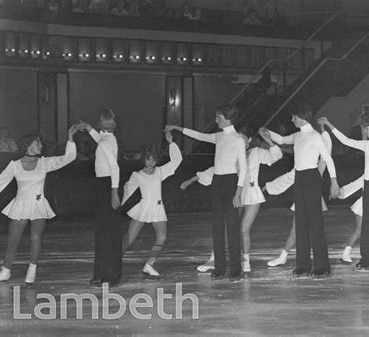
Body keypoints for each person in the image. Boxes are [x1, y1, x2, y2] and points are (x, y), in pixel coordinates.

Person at [181, 127, 282, 273]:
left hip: (252, 194)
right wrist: (191, 179)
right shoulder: (232, 154)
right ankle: (214, 259)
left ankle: (245, 261)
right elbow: (215, 170)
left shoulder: (256, 152)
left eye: (242, 138)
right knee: (229, 228)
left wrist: (267, 139)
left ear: (249, 140)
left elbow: (275, 156)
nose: (239, 141)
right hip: (236, 193)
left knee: (243, 229)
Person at [165, 105, 247, 282]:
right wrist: (177, 128)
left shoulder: (238, 140)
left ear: (227, 118)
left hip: (231, 182)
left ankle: (235, 269)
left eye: (218, 117)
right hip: (217, 182)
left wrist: (238, 193)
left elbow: (244, 168)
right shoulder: (219, 136)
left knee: (232, 227)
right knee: (217, 226)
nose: (216, 120)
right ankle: (219, 268)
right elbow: (199, 135)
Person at [260, 102, 340, 279]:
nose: (291, 119)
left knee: (315, 223)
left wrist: (334, 181)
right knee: (301, 222)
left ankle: (322, 266)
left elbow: (328, 159)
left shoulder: (314, 136)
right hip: (300, 178)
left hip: (312, 178)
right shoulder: (297, 135)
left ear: (301, 117)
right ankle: (303, 265)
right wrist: (268, 132)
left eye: (293, 116)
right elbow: (281, 140)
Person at [0, 126, 78, 284]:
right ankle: (5, 270)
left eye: (40, 143)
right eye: (37, 143)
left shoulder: (44, 163)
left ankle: (32, 270)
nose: (41, 146)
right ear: (28, 145)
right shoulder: (14, 165)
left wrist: (70, 138)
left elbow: (67, 158)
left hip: (38, 204)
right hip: (20, 205)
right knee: (13, 240)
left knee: (35, 238)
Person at [319, 115, 369, 271]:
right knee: (366, 226)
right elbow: (346, 141)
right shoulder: (368, 144)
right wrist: (330, 125)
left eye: (365, 127)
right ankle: (367, 259)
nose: (364, 130)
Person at [121, 131, 182, 277]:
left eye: (153, 160)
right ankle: (114, 262)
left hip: (158, 208)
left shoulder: (160, 171)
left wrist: (171, 143)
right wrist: (120, 207)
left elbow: (176, 161)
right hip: (143, 208)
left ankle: (149, 264)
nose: (151, 162)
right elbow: (127, 189)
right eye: (148, 159)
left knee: (162, 237)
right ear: (144, 159)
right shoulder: (138, 175)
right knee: (128, 239)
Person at [79, 109, 122, 287]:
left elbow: (115, 168)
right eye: (107, 123)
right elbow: (101, 140)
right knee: (102, 232)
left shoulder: (106, 141)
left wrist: (114, 192)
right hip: (103, 186)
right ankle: (101, 273)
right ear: (101, 124)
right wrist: (89, 128)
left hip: (107, 186)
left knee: (108, 233)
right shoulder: (107, 139)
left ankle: (110, 276)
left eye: (111, 122)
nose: (110, 125)